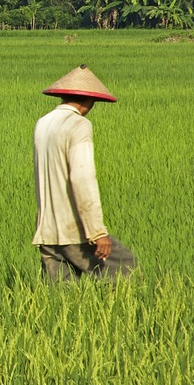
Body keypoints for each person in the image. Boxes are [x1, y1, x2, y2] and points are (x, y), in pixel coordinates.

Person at [32, 65, 137, 281]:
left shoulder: (43, 123)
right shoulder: (78, 124)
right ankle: (117, 313)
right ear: (89, 101)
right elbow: (82, 178)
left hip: (47, 229)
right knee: (125, 266)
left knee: (61, 300)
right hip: (73, 229)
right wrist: (97, 232)